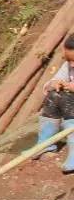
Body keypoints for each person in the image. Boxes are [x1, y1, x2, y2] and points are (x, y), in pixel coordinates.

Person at [37, 34, 74, 174]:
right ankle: (45, 145)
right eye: (68, 60)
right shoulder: (68, 66)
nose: (71, 64)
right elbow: (52, 83)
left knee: (69, 100)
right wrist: (54, 83)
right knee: (54, 96)